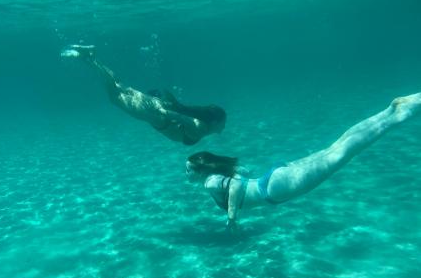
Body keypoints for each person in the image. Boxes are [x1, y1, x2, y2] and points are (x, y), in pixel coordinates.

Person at [185, 92, 421, 232]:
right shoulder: (220, 174)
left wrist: (232, 217)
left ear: (201, 168)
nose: (187, 175)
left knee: (342, 153)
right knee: (337, 149)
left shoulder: (209, 183)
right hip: (276, 177)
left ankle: (400, 114)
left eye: (189, 170)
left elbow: (236, 187)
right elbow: (241, 174)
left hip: (276, 187)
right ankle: (391, 111)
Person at [61, 45, 226, 145]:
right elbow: (181, 118)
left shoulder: (201, 126)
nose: (223, 128)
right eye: (223, 124)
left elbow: (182, 116)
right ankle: (89, 58)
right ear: (215, 121)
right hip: (155, 115)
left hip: (156, 109)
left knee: (119, 87)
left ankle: (90, 57)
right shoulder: (201, 128)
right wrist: (164, 112)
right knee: (115, 95)